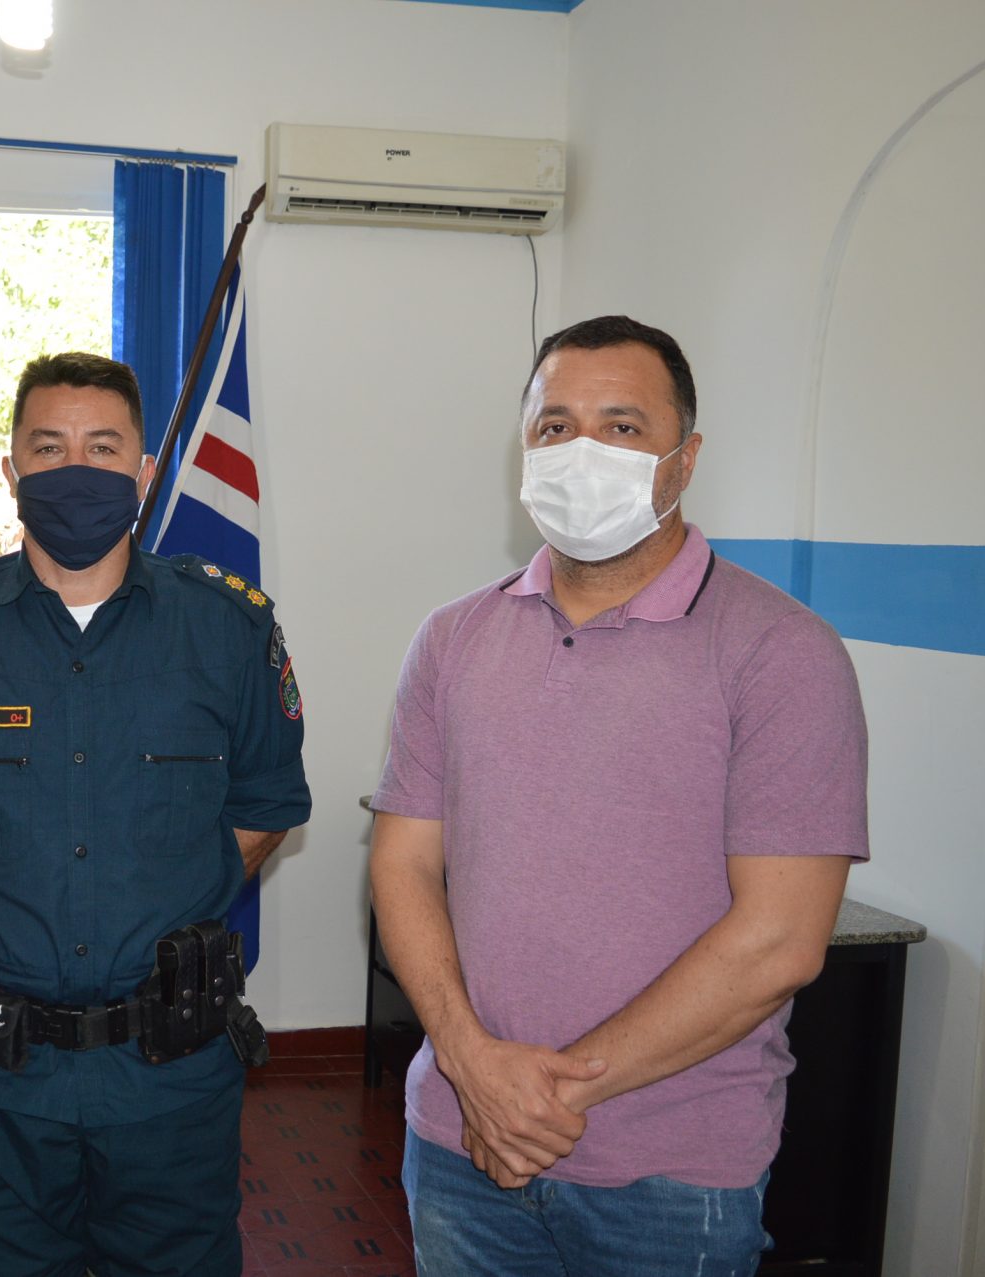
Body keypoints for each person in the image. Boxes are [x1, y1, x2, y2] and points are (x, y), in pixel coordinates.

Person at [369, 316, 869, 1276]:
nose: (582, 450)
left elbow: (779, 940)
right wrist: (472, 1063)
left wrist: (543, 1095)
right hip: (460, 1141)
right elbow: (403, 866)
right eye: (555, 426)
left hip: (671, 1177)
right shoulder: (451, 639)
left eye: (622, 426)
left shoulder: (783, 653)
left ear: (685, 460)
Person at [0, 352, 311, 1276]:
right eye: (49, 447)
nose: (77, 467)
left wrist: (182, 889)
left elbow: (266, 804)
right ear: (12, 469)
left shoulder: (229, 630)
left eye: (103, 447)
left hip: (172, 1070)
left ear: (144, 469)